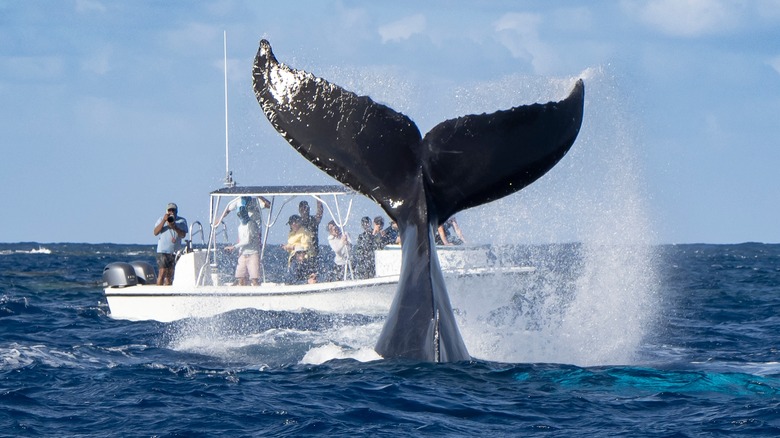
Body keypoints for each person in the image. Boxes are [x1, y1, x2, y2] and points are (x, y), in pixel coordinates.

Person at [224, 207, 262, 285]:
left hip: (253, 253)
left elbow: (248, 240)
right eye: (240, 215)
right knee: (240, 277)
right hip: (243, 254)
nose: (242, 216)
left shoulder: (252, 224)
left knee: (254, 279)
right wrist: (239, 251)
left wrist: (234, 247)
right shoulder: (240, 227)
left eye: (243, 214)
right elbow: (241, 240)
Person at [153, 202, 188, 285]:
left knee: (170, 274)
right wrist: (164, 221)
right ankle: (159, 290)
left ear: (176, 211)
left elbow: (183, 235)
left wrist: (174, 226)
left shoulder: (181, 221)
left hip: (175, 251)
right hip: (163, 251)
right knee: (162, 272)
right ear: (166, 211)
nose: (171, 212)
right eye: (169, 210)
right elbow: (155, 232)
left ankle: (167, 290)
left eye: (173, 210)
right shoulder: (161, 219)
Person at [281, 215, 314, 284]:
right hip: (293, 258)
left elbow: (305, 247)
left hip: (303, 259)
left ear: (300, 222)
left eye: (296, 222)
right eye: (291, 222)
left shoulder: (304, 232)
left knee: (292, 278)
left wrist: (292, 247)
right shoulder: (291, 234)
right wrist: (287, 247)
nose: (294, 224)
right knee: (290, 276)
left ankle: (306, 282)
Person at [298, 199, 324, 267]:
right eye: (302, 208)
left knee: (313, 275)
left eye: (306, 208)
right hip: (301, 255)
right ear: (299, 210)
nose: (305, 210)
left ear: (309, 209)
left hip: (313, 254)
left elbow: (320, 212)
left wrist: (318, 197)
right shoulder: (297, 223)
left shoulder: (313, 220)